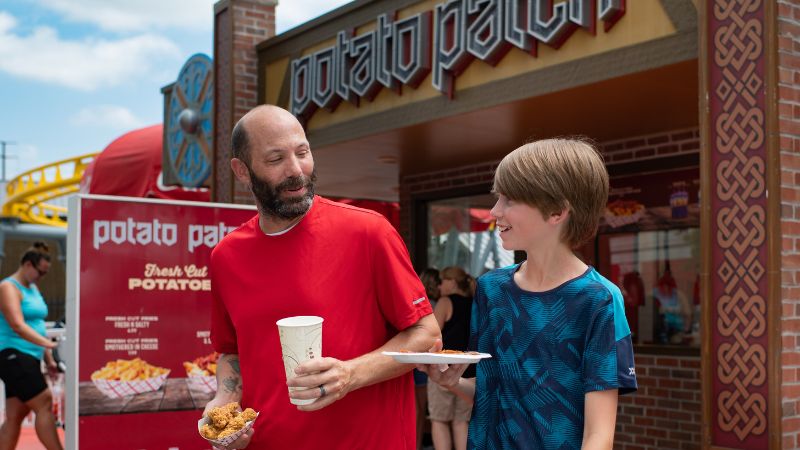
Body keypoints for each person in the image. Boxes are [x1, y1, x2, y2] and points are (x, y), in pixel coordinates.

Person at [206, 105, 440, 450]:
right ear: (242, 171)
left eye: (302, 152)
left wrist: (350, 374)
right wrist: (223, 404)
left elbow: (426, 334)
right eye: (275, 159)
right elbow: (231, 351)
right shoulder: (226, 257)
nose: (296, 170)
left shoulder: (368, 231)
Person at [419, 139, 637, 449]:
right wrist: (453, 382)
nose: (495, 210)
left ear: (557, 211)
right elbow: (490, 390)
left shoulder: (599, 299)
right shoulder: (491, 289)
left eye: (509, 199)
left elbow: (598, 435)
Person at [0, 242, 62, 450]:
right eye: (40, 272)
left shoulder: (33, 289)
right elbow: (18, 325)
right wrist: (49, 344)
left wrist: (49, 359)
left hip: (31, 357)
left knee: (15, 416)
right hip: (12, 354)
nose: (41, 277)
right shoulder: (8, 287)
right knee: (44, 401)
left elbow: (37, 327)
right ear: (28, 264)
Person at [428, 266, 473, 450]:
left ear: (452, 282)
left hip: (444, 369)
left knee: (439, 420)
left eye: (443, 281)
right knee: (461, 422)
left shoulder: (445, 302)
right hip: (468, 370)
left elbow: (433, 335)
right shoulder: (474, 302)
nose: (439, 286)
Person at [415, 268, 441, 450]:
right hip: (428, 359)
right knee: (422, 408)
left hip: (414, 360)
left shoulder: (418, 305)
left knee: (415, 408)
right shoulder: (435, 305)